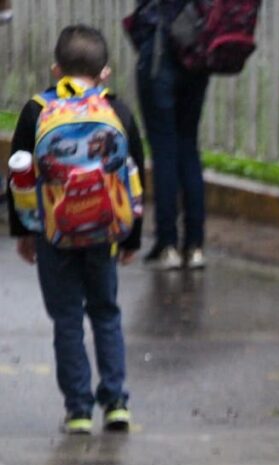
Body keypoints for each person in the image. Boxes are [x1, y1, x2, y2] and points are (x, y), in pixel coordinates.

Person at [5, 25, 144, 434]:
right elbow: (135, 176)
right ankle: (116, 401)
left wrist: (24, 232)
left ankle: (79, 409)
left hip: (54, 234)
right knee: (106, 313)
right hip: (105, 234)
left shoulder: (36, 111)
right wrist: (131, 235)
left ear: (56, 69)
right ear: (105, 72)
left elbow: (20, 178)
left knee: (67, 318)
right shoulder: (117, 112)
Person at [131, 0, 210, 270]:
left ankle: (167, 245)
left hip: (160, 52)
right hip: (196, 53)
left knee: (164, 149)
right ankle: (195, 246)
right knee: (188, 145)